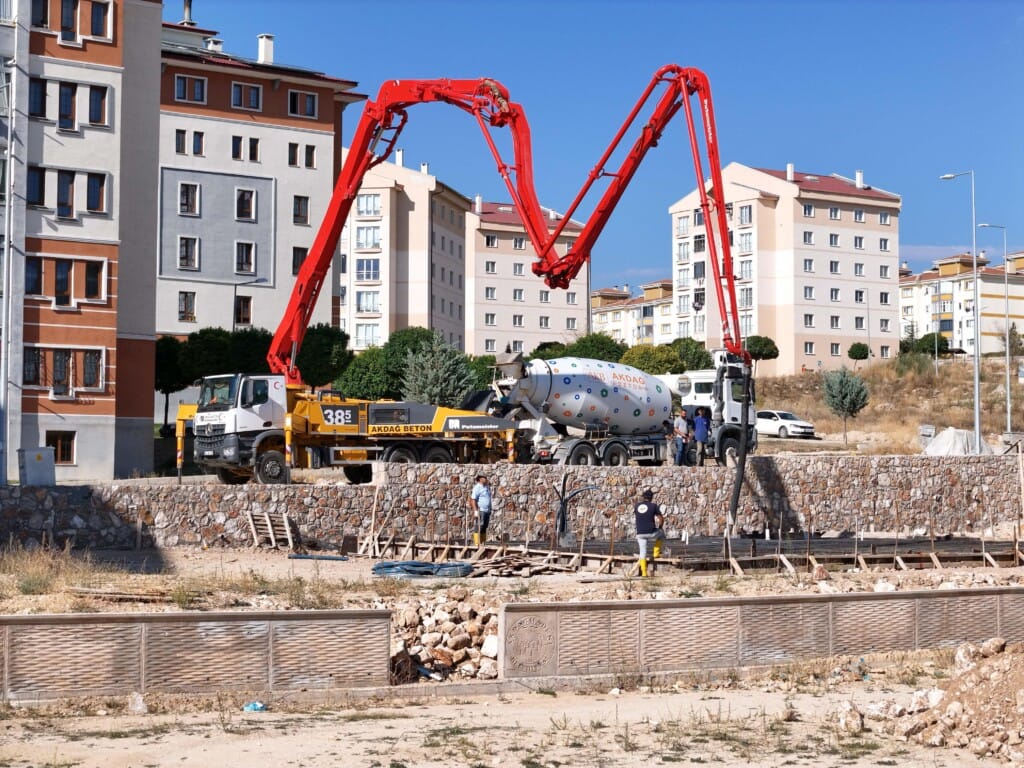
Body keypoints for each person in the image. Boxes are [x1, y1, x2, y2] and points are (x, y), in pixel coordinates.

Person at [633, 488, 664, 577]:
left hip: (640, 533)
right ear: (651, 498)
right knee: (662, 535)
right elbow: (661, 519)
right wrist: (660, 528)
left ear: (643, 497)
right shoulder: (653, 506)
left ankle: (643, 573)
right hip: (651, 532)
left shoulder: (636, 506)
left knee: (642, 552)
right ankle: (656, 553)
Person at [469, 474, 492, 546]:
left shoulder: (486, 487)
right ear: (480, 479)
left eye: (485, 477)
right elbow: (473, 500)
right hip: (481, 510)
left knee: (485, 526)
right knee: (479, 525)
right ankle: (477, 542)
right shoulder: (477, 487)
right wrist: (475, 511)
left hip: (487, 510)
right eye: (484, 478)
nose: (485, 479)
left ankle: (483, 542)